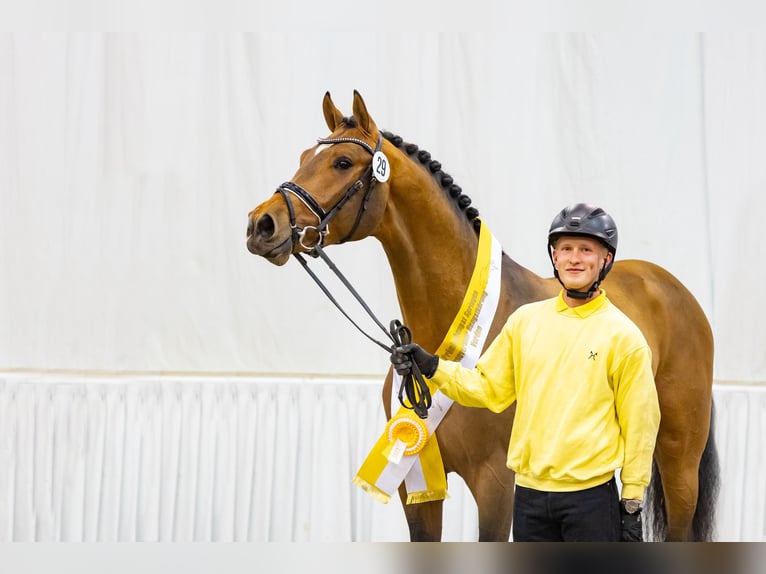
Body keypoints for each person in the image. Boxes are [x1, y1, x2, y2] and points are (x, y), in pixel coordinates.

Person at [391, 203, 661, 542]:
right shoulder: (525, 322)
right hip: (531, 500)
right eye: (566, 249)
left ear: (605, 260)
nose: (574, 258)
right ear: (554, 256)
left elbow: (641, 425)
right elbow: (488, 388)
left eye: (586, 250)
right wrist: (432, 367)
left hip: (589, 499)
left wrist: (632, 501)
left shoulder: (624, 337)